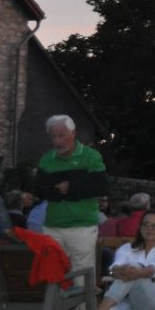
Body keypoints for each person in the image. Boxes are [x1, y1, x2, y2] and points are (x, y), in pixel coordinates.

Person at [35, 115, 106, 296]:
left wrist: (70, 187)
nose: (58, 141)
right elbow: (40, 190)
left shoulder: (90, 156)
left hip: (82, 225)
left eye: (62, 136)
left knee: (82, 277)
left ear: (73, 134)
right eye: (54, 137)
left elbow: (101, 186)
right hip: (53, 226)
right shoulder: (47, 159)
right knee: (55, 275)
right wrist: (73, 187)